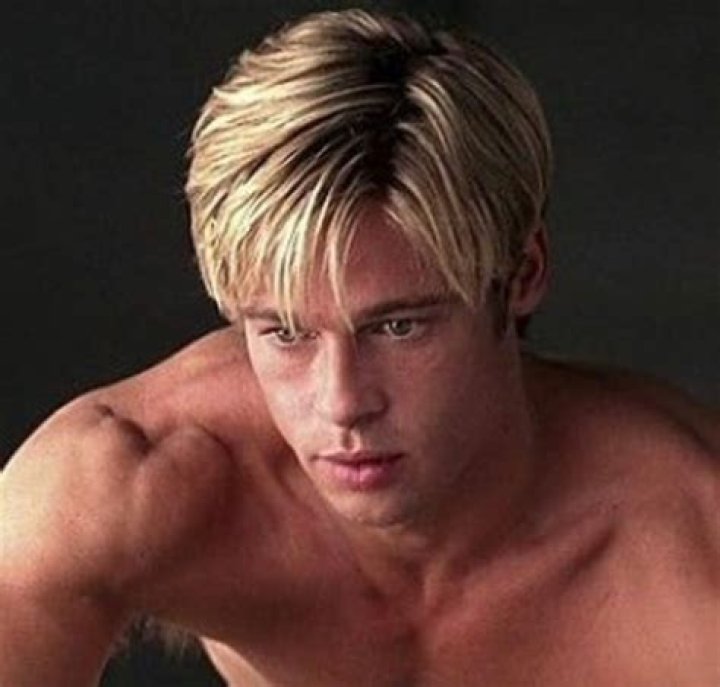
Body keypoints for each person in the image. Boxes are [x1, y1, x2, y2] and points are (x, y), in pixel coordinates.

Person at [1, 8, 717, 687]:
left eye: (398, 326)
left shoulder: (692, 548)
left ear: (521, 274)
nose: (342, 403)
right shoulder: (126, 485)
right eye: (286, 332)